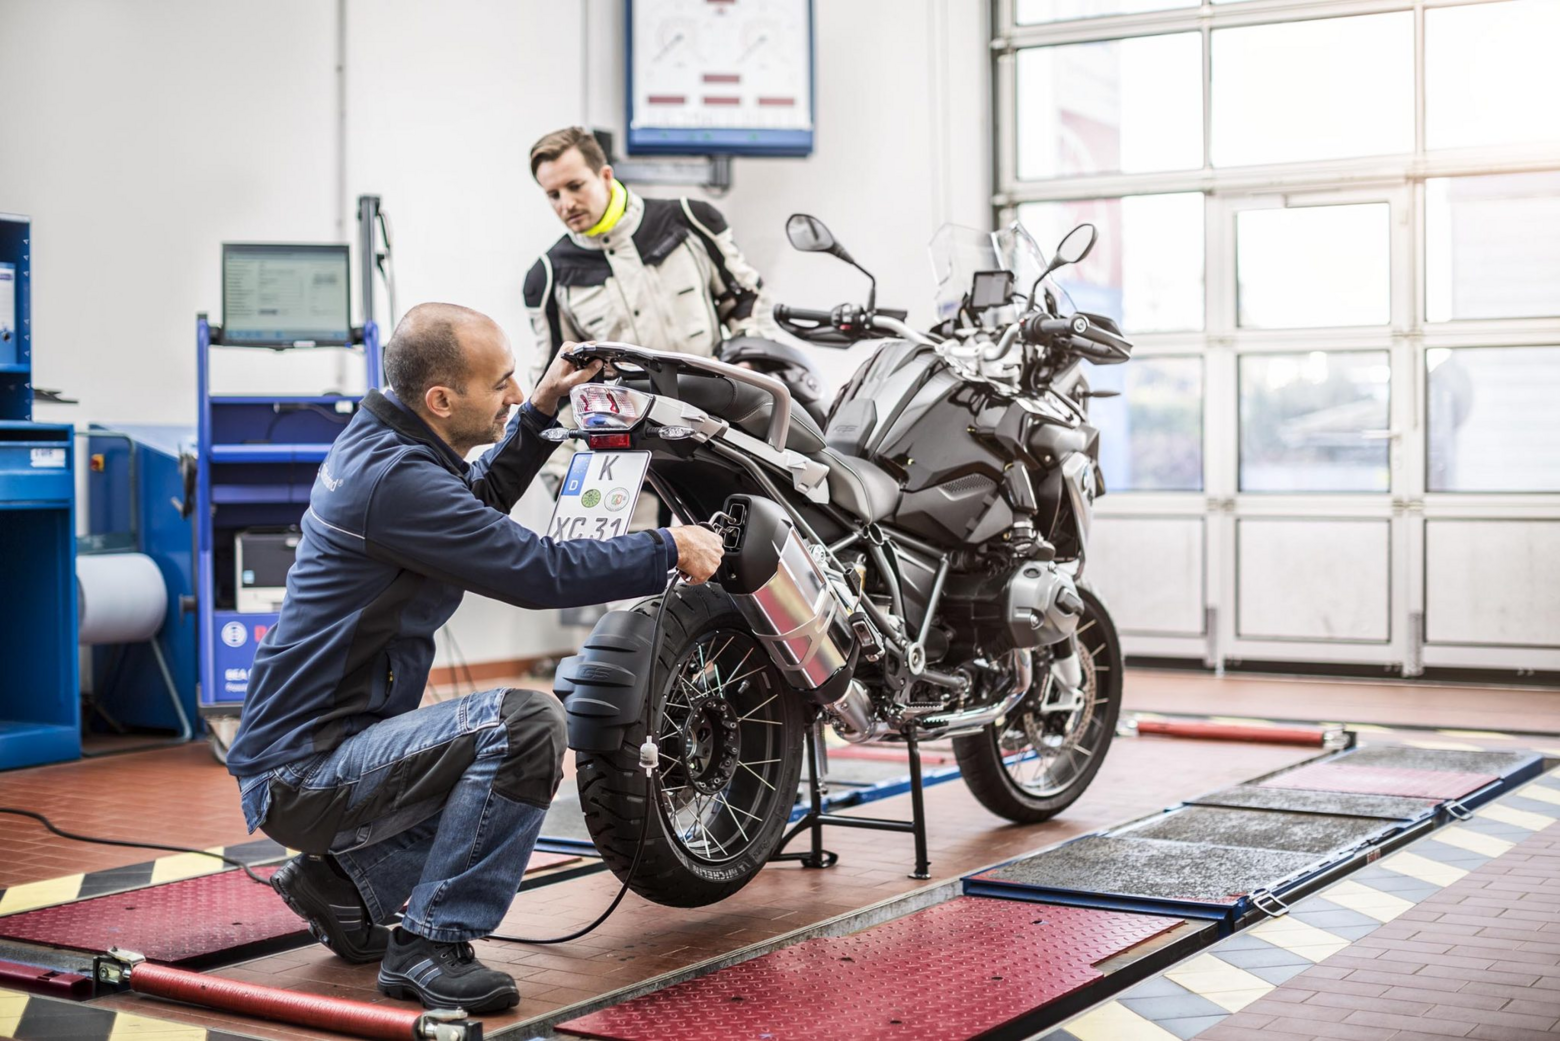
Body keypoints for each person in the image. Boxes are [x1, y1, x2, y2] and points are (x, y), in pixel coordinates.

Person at [225, 303, 723, 1014]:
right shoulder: (395, 481)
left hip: (313, 752)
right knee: (523, 725)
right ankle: (431, 944)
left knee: (482, 757)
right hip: (302, 773)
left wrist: (542, 411)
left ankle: (342, 885)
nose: (513, 393)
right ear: (440, 399)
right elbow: (538, 572)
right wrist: (668, 546)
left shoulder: (388, 444)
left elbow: (475, 500)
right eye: (501, 384)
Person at [522, 126, 778, 388]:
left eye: (575, 186)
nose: (566, 204)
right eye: (554, 195)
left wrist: (745, 365)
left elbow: (749, 299)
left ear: (606, 176)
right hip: (628, 413)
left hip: (718, 402)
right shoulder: (547, 276)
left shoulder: (691, 220)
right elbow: (554, 379)